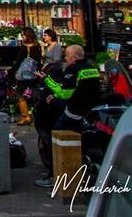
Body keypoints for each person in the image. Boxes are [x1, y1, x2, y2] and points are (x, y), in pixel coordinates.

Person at [33, 45, 101, 188]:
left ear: (74, 57)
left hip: (74, 112)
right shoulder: (92, 68)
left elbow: (66, 93)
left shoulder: (72, 69)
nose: (65, 58)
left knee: (56, 140)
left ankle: (54, 176)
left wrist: (48, 82)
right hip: (90, 112)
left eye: (67, 55)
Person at [14, 27, 43, 125]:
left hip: (23, 76)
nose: (22, 37)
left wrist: (11, 71)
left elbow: (18, 62)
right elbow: (39, 61)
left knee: (20, 95)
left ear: (27, 35)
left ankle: (25, 117)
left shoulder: (24, 47)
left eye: (23, 35)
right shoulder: (37, 46)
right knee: (35, 96)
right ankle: (36, 118)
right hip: (34, 75)